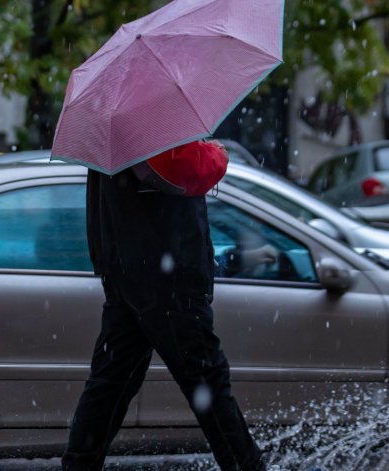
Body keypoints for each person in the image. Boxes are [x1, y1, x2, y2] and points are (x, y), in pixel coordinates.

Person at [61, 141, 266, 471]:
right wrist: (216, 153)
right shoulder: (151, 123)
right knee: (206, 380)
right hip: (165, 272)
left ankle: (78, 464)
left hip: (131, 264)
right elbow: (176, 167)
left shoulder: (116, 122)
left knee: (112, 381)